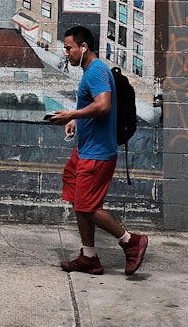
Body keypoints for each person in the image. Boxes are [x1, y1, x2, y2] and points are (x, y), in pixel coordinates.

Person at [47, 25, 148, 276]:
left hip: (97, 154)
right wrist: (76, 120)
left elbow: (103, 106)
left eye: (69, 48)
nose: (66, 53)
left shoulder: (95, 71)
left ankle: (130, 241)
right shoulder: (92, 70)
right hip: (85, 150)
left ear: (84, 47)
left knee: (87, 206)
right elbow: (94, 106)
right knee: (78, 199)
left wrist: (71, 113)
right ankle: (89, 257)